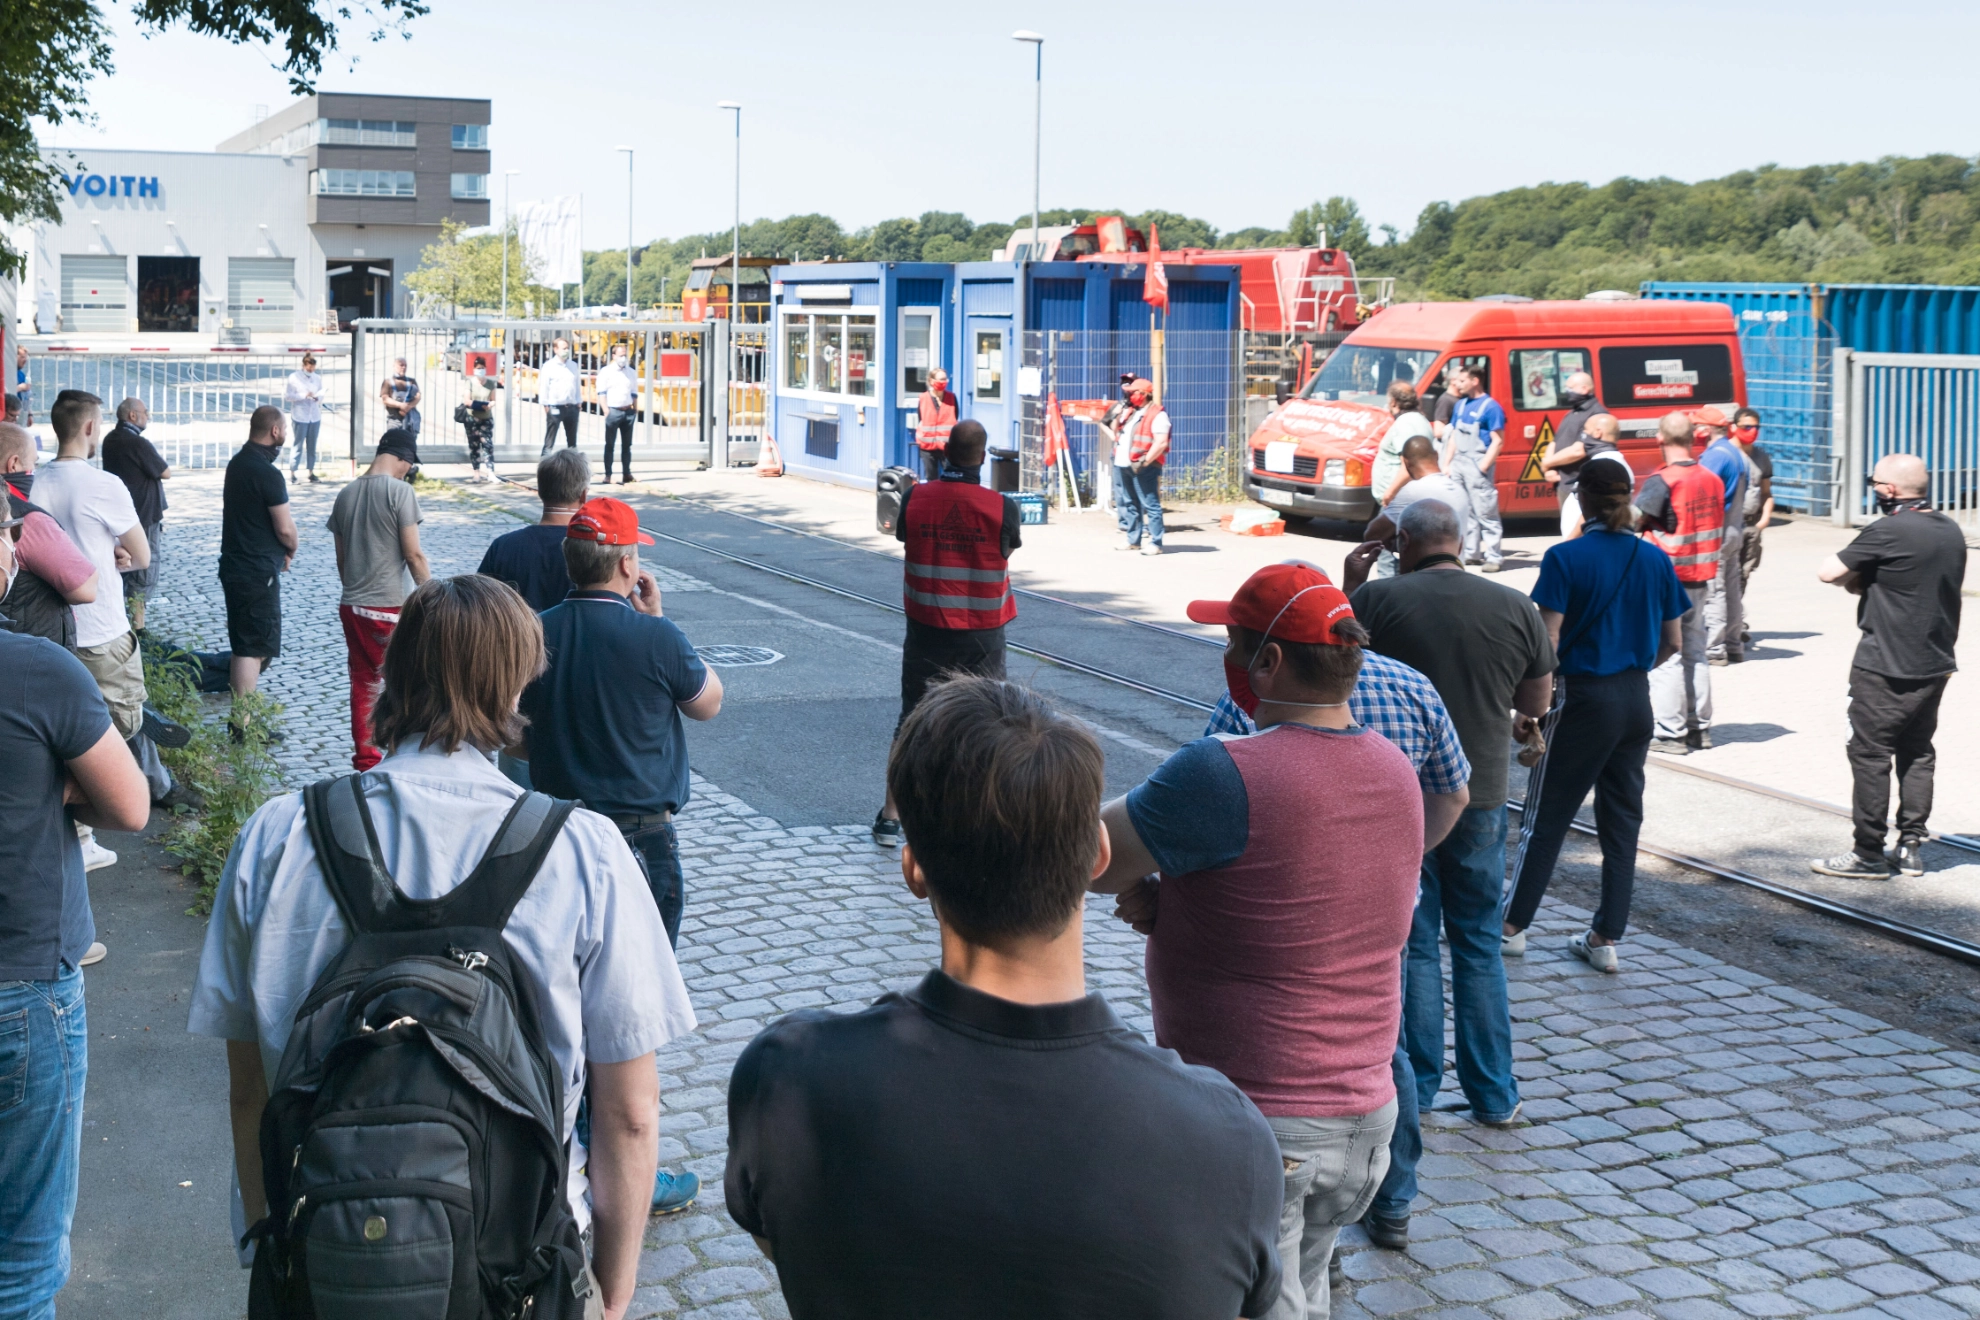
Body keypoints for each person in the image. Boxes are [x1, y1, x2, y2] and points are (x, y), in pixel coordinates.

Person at [186, 574, 696, 1320]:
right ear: (518, 681)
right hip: (519, 1265)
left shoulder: (277, 835)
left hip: (325, 1261)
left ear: (395, 673)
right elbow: (629, 1113)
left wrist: (276, 1247)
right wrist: (613, 1292)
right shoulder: (583, 851)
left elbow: (250, 1088)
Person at [726, 676, 1286, 1319]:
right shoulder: (1226, 1137)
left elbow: (786, 1244)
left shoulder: (786, 1078)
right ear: (1099, 853)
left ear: (914, 870)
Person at [1096, 562, 1429, 1320]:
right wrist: (1179, 904)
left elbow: (1088, 852)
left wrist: (1151, 885)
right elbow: (1311, 903)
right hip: (1363, 1122)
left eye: (1236, 646)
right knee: (1305, 1293)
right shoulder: (1395, 771)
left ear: (1271, 661)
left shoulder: (1223, 773)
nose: (1231, 663)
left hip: (1263, 1124)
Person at [1344, 499, 1555, 1238]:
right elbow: (1535, 702)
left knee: (1414, 944)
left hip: (1403, 795)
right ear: (1459, 542)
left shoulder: (1381, 598)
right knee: (1477, 942)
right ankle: (1496, 1093)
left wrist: (1357, 563)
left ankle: (1422, 1089)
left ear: (1403, 543)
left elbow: (1342, 660)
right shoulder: (1514, 605)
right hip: (1483, 795)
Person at [516, 496, 720, 1215]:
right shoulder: (655, 639)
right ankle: (623, 1167)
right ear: (629, 564)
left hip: (552, 840)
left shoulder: (535, 633)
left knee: (557, 1000)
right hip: (641, 841)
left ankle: (561, 1147)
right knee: (628, 1014)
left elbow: (513, 735)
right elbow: (709, 703)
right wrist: (658, 622)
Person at [0, 514, 150, 1320]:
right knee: (20, 1262)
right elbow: (130, 805)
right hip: (21, 981)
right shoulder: (37, 671)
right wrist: (46, 782)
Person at [1505, 463, 1687, 975]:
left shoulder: (1565, 558)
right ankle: (1605, 937)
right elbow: (1672, 641)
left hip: (1583, 696)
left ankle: (1509, 928)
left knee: (1546, 815)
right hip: (1636, 698)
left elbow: (1549, 640)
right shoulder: (1654, 559)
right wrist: (1630, 669)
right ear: (1628, 498)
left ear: (1581, 500)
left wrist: (1531, 707)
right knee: (1623, 821)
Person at [1810, 453, 1966, 880]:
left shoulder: (1888, 529)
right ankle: (1911, 845)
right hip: (1935, 663)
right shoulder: (1950, 530)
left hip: (1884, 666)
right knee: (1917, 752)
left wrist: (1862, 576)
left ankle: (1868, 853)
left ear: (1888, 490)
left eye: (1874, 482)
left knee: (1870, 753)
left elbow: (1829, 573)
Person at [872, 419, 1020, 846]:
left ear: (946, 454)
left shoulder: (916, 497)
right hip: (982, 636)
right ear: (982, 457)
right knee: (986, 721)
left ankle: (890, 817)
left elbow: (904, 536)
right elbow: (1007, 548)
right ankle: (977, 818)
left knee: (913, 718)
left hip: (927, 629)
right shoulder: (1001, 507)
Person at [31, 389, 158, 874]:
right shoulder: (103, 485)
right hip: (101, 629)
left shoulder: (34, 481)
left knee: (58, 734)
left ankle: (77, 835)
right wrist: (115, 555)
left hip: (50, 629)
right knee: (117, 724)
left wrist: (105, 553)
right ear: (89, 428)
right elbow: (141, 556)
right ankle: (78, 822)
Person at [326, 428, 432, 771]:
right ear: (402, 459)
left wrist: (356, 590)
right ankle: (405, 756)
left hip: (352, 604)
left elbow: (342, 559)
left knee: (363, 681)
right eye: (410, 465)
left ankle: (367, 759)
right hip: (389, 607)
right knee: (408, 680)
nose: (408, 472)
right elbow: (413, 554)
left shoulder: (346, 494)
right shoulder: (400, 493)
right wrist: (432, 596)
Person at [1635, 412, 1725, 755]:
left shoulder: (1664, 480)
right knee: (1695, 651)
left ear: (1659, 439)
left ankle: (1670, 733)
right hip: (1702, 577)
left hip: (1667, 580)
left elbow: (1631, 522)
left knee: (1667, 655)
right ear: (1694, 439)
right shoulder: (1711, 478)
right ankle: (1698, 728)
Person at [219, 405, 298, 707]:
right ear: (275, 431)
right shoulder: (267, 473)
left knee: (249, 644)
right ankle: (243, 723)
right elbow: (285, 529)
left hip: (235, 565)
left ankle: (243, 718)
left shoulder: (237, 463)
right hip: (255, 571)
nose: (286, 434)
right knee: (252, 647)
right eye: (285, 429)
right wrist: (291, 547)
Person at [2, 421, 101, 651]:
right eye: (33, 464)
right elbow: (85, 588)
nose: (33, 472)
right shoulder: (27, 520)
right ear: (14, 464)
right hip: (32, 652)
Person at [479, 447, 588, 612]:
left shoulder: (503, 546)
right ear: (583, 496)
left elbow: (477, 605)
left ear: (540, 492)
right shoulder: (591, 549)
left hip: (515, 637)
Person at [99, 397, 170, 632]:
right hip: (145, 515)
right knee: (144, 568)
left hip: (122, 513)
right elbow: (165, 472)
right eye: (145, 412)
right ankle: (138, 630)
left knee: (125, 567)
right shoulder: (138, 444)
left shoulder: (110, 440)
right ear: (132, 415)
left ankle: (124, 620)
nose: (147, 416)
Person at [1362, 435, 1470, 580]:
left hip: (1422, 582)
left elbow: (1373, 534)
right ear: (1436, 455)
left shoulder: (1412, 492)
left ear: (1405, 462)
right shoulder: (1459, 491)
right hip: (1457, 576)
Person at [1693, 406, 1750, 666]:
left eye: (1696, 426)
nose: (1694, 431)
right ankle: (1734, 645)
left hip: (1718, 532)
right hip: (1735, 529)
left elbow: (1701, 495)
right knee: (1731, 588)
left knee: (1714, 591)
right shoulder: (1736, 454)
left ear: (1705, 429)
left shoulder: (1714, 457)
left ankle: (1714, 650)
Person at [1441, 365, 1504, 571]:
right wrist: (1448, 464)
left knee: (1485, 511)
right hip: (1458, 463)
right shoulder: (1460, 405)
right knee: (1465, 510)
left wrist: (1484, 466)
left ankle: (1494, 557)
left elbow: (1497, 440)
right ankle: (1471, 554)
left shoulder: (1491, 407)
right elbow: (1454, 438)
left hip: (1477, 463)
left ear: (1475, 381)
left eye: (1461, 381)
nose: (1457, 384)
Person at [1097, 376, 1170, 556]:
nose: (1129, 396)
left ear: (1144, 394)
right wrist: (1117, 414)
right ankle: (1133, 540)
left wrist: (1145, 461)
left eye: (1133, 393)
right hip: (1122, 463)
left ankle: (1156, 542)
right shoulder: (1130, 412)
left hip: (1143, 466)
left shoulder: (1158, 415)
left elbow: (1161, 443)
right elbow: (1115, 431)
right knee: (1129, 503)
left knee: (1150, 503)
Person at [1540, 375, 1618, 536]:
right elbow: (1554, 442)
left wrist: (1548, 463)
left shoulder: (1597, 415)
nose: (1566, 392)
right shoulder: (1571, 414)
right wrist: (1548, 466)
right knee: (1568, 527)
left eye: (1570, 388)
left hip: (1580, 484)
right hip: (1564, 483)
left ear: (1584, 389)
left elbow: (1579, 450)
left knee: (1579, 532)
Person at [1733, 409, 1773, 639]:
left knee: (1743, 574)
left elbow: (1767, 492)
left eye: (1756, 427)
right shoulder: (1725, 454)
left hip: (1751, 525)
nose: (1752, 432)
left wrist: (1764, 518)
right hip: (1728, 526)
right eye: (1747, 427)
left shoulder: (1761, 457)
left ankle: (1735, 620)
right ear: (1734, 426)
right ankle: (1729, 623)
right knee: (1725, 576)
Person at [1370, 380, 1435, 509]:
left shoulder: (1405, 424)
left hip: (1397, 500)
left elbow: (1409, 465)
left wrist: (1390, 493)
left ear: (1394, 402)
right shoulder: (1420, 420)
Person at [597, 344, 638, 485]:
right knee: (610, 445)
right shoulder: (606, 372)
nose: (623, 358)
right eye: (620, 355)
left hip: (628, 412)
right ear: (613, 356)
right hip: (613, 411)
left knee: (627, 446)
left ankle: (626, 473)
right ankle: (608, 474)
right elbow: (601, 392)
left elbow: (634, 392)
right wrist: (606, 410)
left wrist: (635, 409)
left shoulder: (631, 372)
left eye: (625, 354)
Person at [283, 353, 325, 481]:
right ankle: (293, 472)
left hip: (314, 416)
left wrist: (318, 397)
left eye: (313, 368)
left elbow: (321, 394)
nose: (311, 371)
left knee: (312, 445)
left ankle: (311, 472)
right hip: (300, 415)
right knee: (298, 444)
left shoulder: (317, 378)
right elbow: (288, 396)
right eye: (308, 368)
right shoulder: (294, 377)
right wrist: (303, 395)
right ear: (303, 366)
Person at [913, 366, 959, 480]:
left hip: (947, 446)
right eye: (940, 379)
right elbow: (921, 418)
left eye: (945, 379)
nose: (943, 382)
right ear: (931, 381)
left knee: (950, 479)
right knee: (931, 478)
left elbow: (955, 416)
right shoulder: (923, 398)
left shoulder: (952, 398)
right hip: (927, 447)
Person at [539, 338, 583, 454]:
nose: (566, 350)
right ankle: (545, 466)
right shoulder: (549, 366)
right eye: (564, 348)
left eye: (567, 348)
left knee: (572, 442)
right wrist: (546, 405)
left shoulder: (573, 365)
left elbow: (577, 385)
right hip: (555, 407)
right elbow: (544, 387)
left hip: (572, 407)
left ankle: (573, 468)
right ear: (555, 349)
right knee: (550, 441)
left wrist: (578, 402)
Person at [462, 356, 502, 482]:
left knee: (487, 445)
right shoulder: (469, 383)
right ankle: (476, 473)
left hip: (486, 419)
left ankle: (490, 472)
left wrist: (490, 405)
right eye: (478, 368)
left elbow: (493, 399)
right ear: (474, 369)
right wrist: (479, 405)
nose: (480, 370)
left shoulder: (490, 383)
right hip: (472, 419)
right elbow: (467, 401)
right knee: (474, 446)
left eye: (482, 368)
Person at [380, 355, 421, 436]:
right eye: (401, 365)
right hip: (394, 420)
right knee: (394, 443)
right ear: (394, 366)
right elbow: (385, 399)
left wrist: (408, 407)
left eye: (405, 365)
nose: (403, 367)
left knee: (409, 444)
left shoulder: (412, 381)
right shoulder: (387, 382)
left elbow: (418, 396)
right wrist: (400, 405)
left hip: (411, 420)